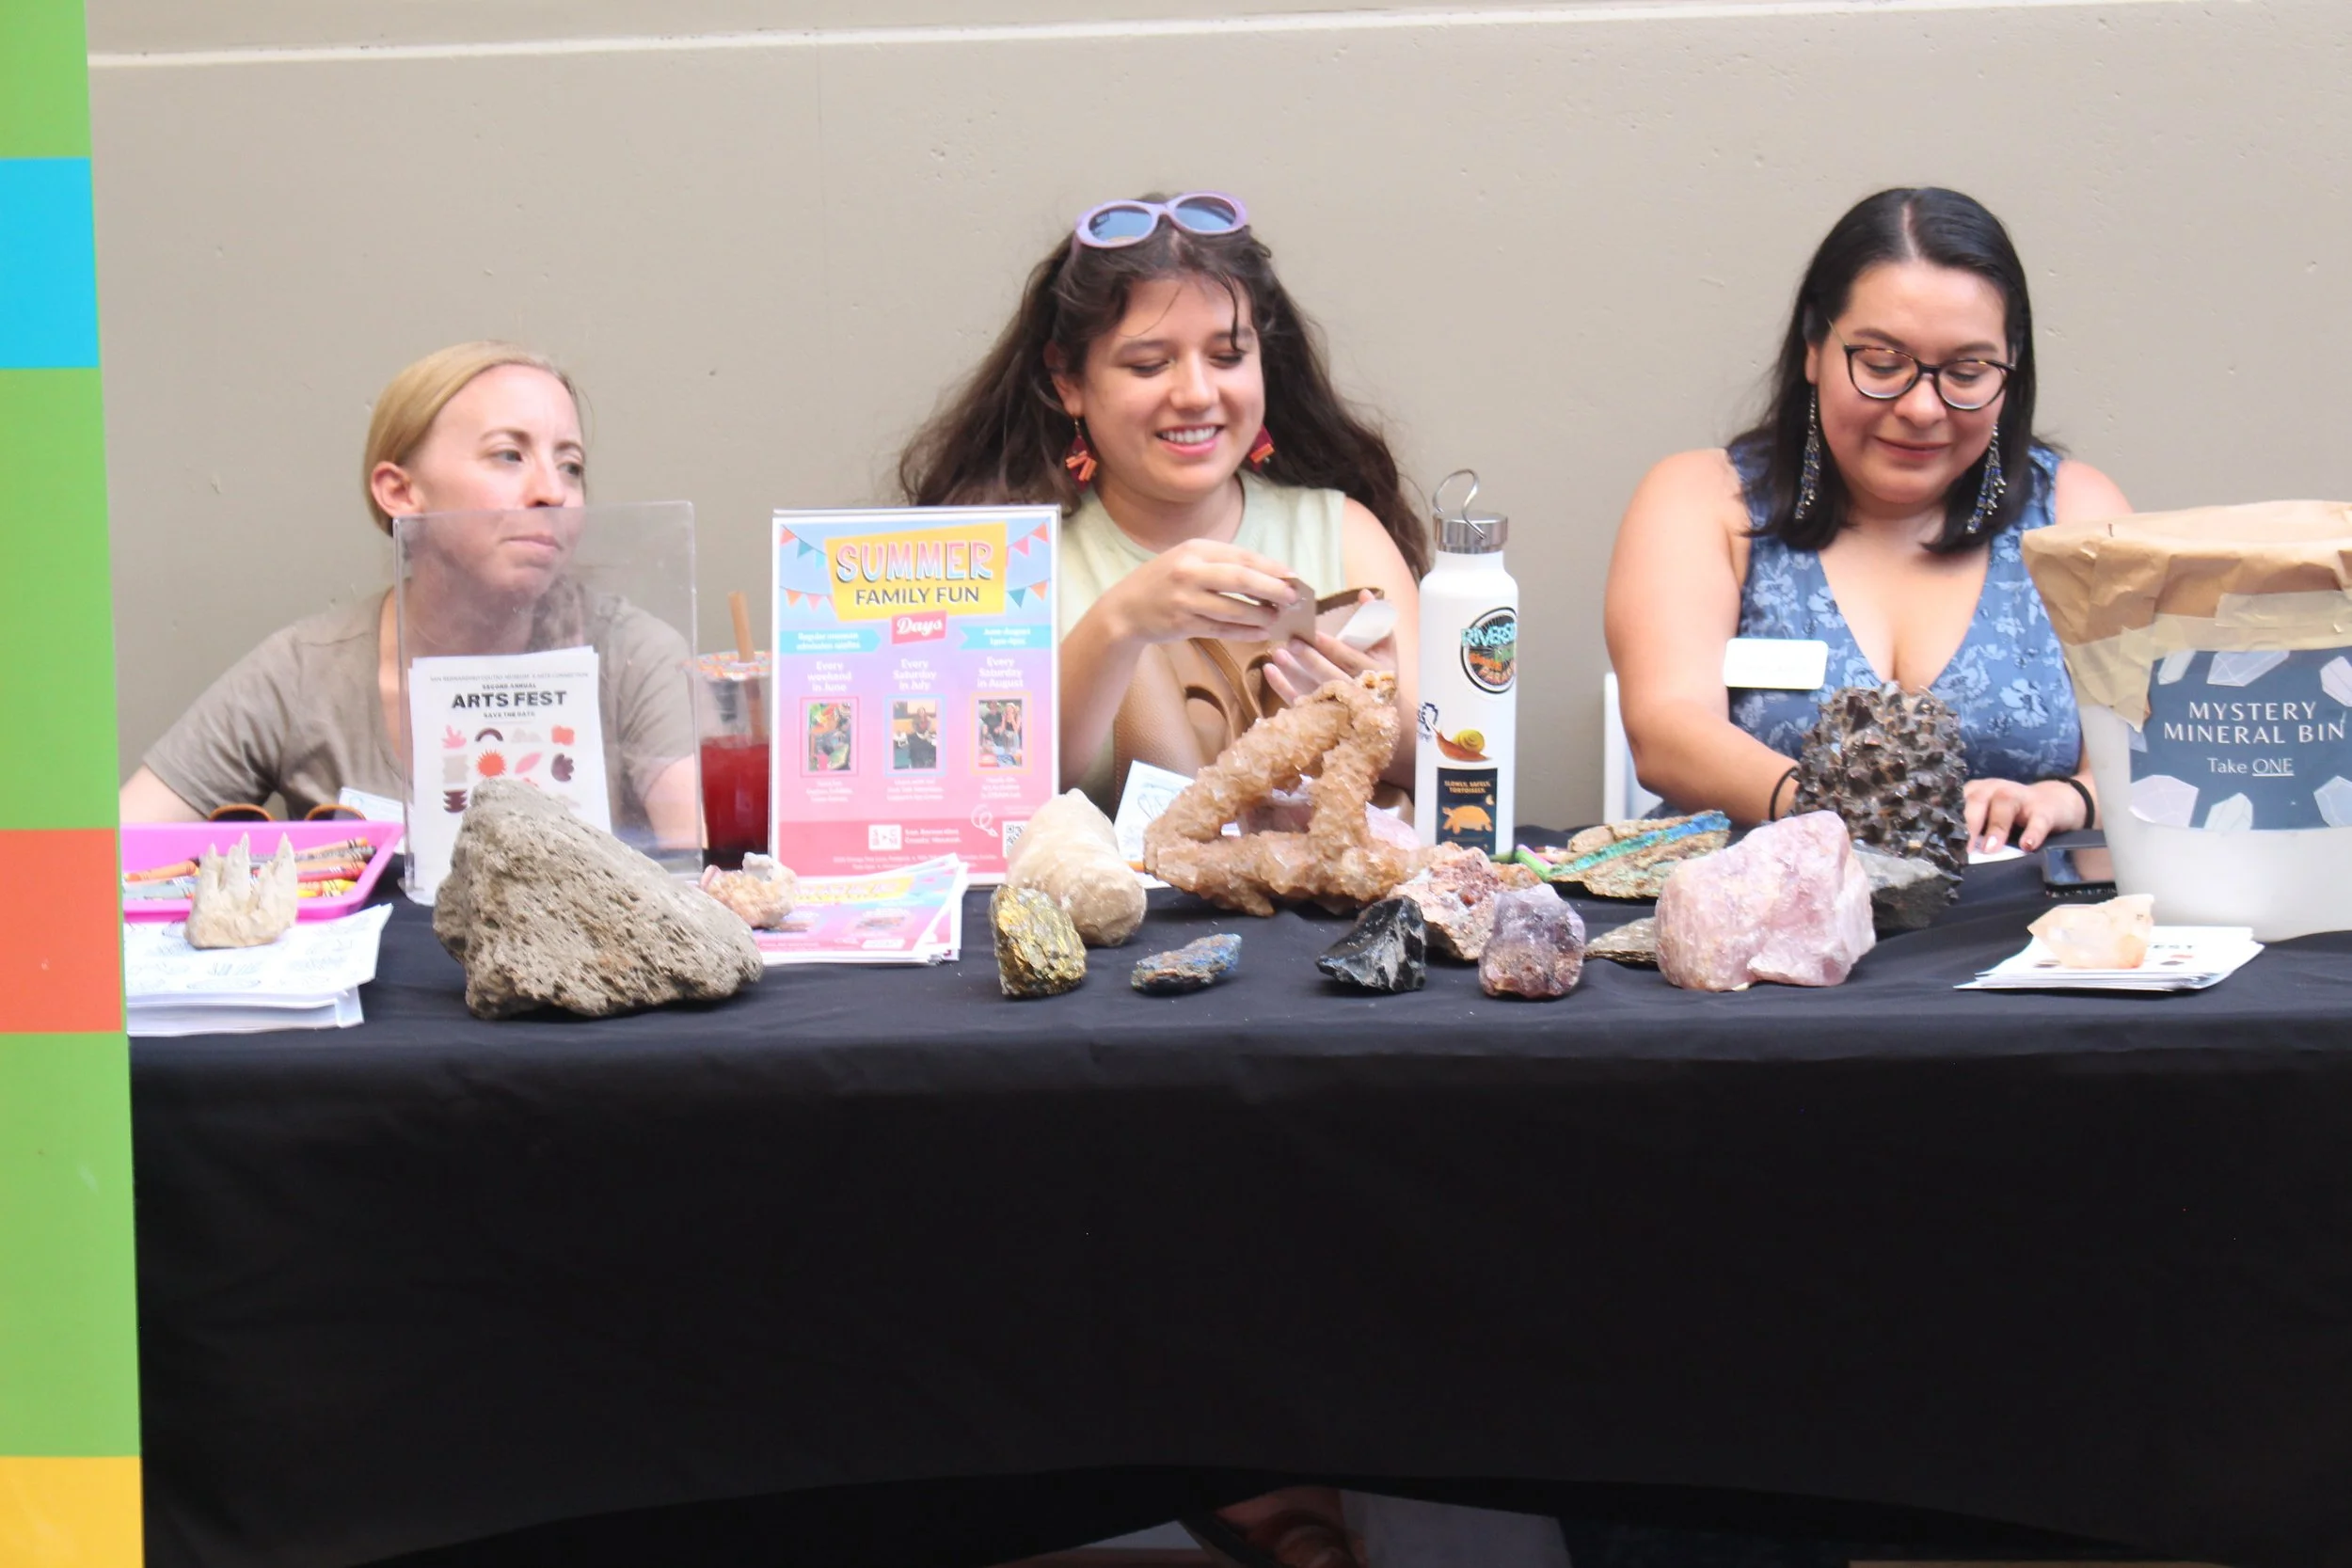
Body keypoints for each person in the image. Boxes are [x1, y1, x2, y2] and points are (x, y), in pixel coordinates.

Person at [1604, 187, 2132, 855]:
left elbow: (2150, 743)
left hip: (2019, 931)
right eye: (1883, 365)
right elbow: (1666, 729)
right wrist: (1847, 816)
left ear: (2010, 369)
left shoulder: (2076, 516)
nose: (1921, 407)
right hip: (1752, 925)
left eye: (1966, 373)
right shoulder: (1707, 500)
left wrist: (2068, 798)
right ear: (1813, 349)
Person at [898, 191, 1427, 817]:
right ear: (1068, 380)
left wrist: (1375, 722)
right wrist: (1121, 624)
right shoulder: (1002, 566)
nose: (1197, 394)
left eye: (1229, 356)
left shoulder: (1341, 532)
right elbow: (965, 801)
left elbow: (1457, 766)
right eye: (1149, 365)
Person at [120, 341, 698, 843]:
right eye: (508, 455)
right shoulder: (305, 672)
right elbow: (113, 848)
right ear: (399, 491)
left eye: (570, 466)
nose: (553, 492)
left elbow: (707, 874)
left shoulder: (635, 656)